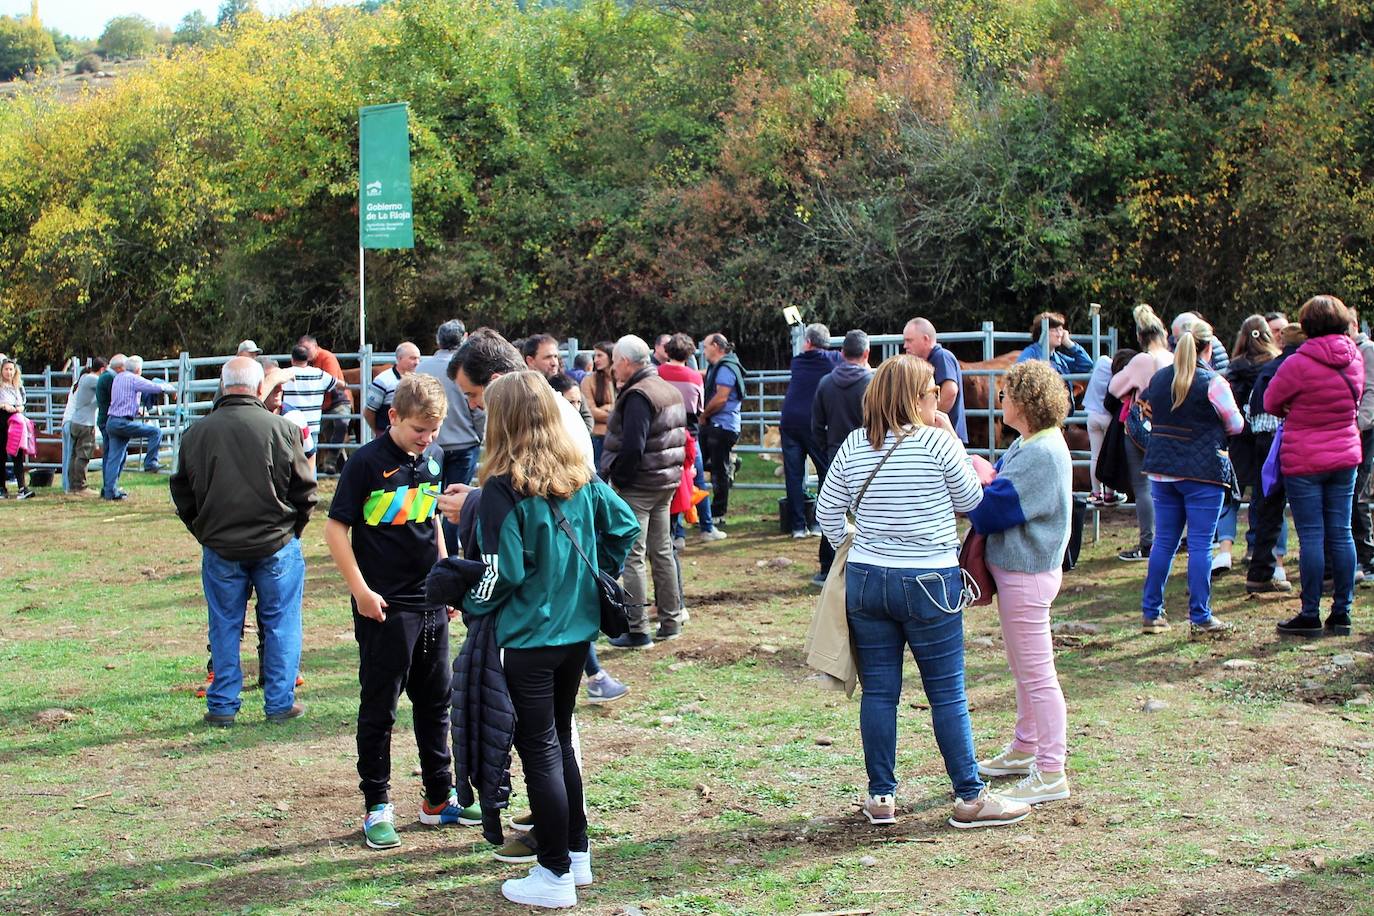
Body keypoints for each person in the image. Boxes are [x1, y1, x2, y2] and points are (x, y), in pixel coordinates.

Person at [815, 355, 1031, 830]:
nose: (938, 398)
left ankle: (880, 796)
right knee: (947, 692)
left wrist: (853, 544)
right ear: (917, 398)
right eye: (932, 391)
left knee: (880, 692)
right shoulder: (938, 444)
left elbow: (827, 512)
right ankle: (970, 797)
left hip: (869, 579)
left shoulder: (854, 444)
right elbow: (973, 503)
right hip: (931, 579)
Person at [463, 372, 639, 908]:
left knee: (539, 749)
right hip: (576, 633)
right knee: (558, 742)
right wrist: (592, 577)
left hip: (531, 638)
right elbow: (625, 524)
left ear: (503, 421)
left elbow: (501, 572)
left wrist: (468, 602)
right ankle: (576, 855)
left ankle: (555, 873)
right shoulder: (579, 475)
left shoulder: (500, 491)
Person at [325, 373, 479, 850]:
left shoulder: (431, 462)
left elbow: (431, 521)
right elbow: (335, 530)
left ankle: (439, 796)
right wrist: (361, 592)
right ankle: (377, 805)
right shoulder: (365, 465)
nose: (427, 439)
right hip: (384, 608)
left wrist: (445, 579)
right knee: (381, 708)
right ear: (393, 417)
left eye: (433, 431)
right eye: (419, 430)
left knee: (436, 701)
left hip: (429, 603)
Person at [170, 357, 316, 726]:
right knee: (281, 623)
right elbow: (305, 490)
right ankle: (280, 702)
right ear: (257, 387)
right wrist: (291, 530)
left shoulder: (196, 433)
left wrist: (203, 530)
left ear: (223, 385)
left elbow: (182, 492)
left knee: (224, 624)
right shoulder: (281, 429)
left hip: (221, 545)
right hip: (276, 542)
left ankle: (222, 705)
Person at [968, 361, 1073, 804]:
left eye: (1007, 394)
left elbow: (991, 511)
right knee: (1025, 670)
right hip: (1022, 571)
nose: (1001, 401)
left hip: (1027, 573)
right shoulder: (1033, 444)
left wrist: (975, 477)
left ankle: (1051, 770)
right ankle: (1025, 747)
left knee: (1037, 674)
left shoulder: (1039, 453)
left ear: (1026, 402)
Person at [1265, 295, 1363, 638]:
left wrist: (1296, 408)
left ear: (1307, 326)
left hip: (1304, 457)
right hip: (1345, 454)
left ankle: (1309, 613)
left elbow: (1270, 401)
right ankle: (1343, 612)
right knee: (1342, 532)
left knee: (1311, 536)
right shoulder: (1356, 359)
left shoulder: (1297, 362)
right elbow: (1357, 397)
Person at [1139, 319, 1242, 635]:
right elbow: (1236, 424)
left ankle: (1152, 613)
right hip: (1203, 473)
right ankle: (1200, 616)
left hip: (1162, 470)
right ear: (1208, 348)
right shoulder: (1214, 383)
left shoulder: (1158, 379)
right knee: (1200, 545)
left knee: (1164, 544)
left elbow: (1142, 413)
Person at [600, 335, 689, 648]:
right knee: (662, 551)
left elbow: (633, 446)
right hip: (664, 483)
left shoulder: (638, 394)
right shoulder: (666, 387)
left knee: (634, 556)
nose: (612, 369)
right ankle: (672, 619)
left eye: (614, 362)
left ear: (625, 361)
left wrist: (619, 479)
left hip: (639, 484)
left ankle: (637, 629)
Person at [1215, 316, 1281, 576]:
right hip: (1269, 435)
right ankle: (1261, 548)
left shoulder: (1234, 367)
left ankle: (1225, 549)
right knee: (1267, 494)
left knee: (1232, 493)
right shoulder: (1276, 365)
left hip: (1240, 437)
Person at [1108, 305, 1173, 561]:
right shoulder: (1173, 358)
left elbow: (1114, 388)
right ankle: (1172, 537)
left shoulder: (1142, 360)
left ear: (1139, 336)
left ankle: (1149, 542)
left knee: (1143, 485)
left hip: (1142, 428)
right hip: (1170, 427)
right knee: (1169, 483)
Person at [416, 320, 485, 552]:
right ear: (464, 337)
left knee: (430, 499)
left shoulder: (422, 369)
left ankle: (432, 549)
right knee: (457, 502)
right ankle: (453, 554)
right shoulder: (467, 369)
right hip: (464, 443)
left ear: (438, 340)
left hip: (432, 444)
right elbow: (476, 410)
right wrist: (478, 433)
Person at [810, 330, 872, 586]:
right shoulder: (872, 382)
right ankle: (866, 564)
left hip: (835, 455)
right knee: (868, 512)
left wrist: (827, 451)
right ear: (866, 353)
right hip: (869, 455)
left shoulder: (825, 383)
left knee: (831, 508)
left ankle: (827, 567)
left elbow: (816, 425)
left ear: (842, 353)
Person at [1245, 323, 1301, 593]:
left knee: (1267, 506)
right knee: (1305, 507)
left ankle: (1260, 570)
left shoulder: (1269, 368)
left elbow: (1251, 408)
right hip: (1289, 438)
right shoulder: (1300, 366)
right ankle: (1324, 570)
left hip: (1262, 439)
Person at [658, 332, 723, 541]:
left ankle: (677, 533)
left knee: (672, 483)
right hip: (689, 434)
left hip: (665, 435)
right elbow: (699, 407)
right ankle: (706, 526)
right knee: (697, 479)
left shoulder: (658, 374)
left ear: (668, 351)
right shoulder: (694, 376)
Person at [780, 323, 841, 537]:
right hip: (815, 423)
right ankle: (818, 522)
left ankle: (797, 526)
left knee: (794, 475)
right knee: (825, 471)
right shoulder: (834, 360)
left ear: (807, 343)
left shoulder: (797, 361)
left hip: (789, 422)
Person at [101, 356, 174, 500]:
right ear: (138, 370)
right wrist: (172, 388)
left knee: (115, 458)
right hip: (123, 422)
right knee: (156, 432)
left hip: (112, 421)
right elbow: (155, 387)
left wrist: (135, 409)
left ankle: (110, 491)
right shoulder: (133, 379)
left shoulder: (118, 377)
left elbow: (124, 398)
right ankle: (150, 462)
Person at [699, 333, 745, 525]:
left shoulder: (726, 368)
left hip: (722, 425)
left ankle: (718, 513)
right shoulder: (719, 366)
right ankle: (731, 466)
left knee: (718, 470)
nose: (704, 350)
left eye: (706, 346)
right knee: (702, 464)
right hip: (716, 425)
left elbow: (721, 398)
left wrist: (704, 414)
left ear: (716, 346)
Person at [904, 317, 968, 443]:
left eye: (909, 340)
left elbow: (950, 391)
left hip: (946, 437)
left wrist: (928, 420)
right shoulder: (932, 359)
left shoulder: (941, 356)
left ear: (926, 339)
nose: (905, 345)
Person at [298, 335, 352, 474]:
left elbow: (330, 382)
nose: (305, 351)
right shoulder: (306, 362)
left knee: (341, 422)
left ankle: (331, 462)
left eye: (307, 348)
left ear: (315, 347)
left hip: (337, 400)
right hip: (320, 404)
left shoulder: (327, 357)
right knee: (320, 434)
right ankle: (338, 467)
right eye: (302, 349)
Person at [1347, 309, 1374, 583]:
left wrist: (1358, 425)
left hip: (1362, 432)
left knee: (1358, 493)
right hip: (1348, 432)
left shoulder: (1367, 350)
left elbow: (1371, 392)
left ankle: (1367, 558)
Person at [525, 334, 594, 432]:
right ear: (530, 361)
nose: (554, 363)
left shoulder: (567, 384)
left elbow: (587, 419)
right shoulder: (521, 390)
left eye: (555, 356)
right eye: (547, 357)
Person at [62, 357, 105, 496]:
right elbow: (108, 385)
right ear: (102, 369)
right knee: (83, 455)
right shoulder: (93, 379)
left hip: (75, 421)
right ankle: (80, 486)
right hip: (85, 423)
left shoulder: (82, 379)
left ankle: (71, 485)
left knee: (74, 454)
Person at [281, 345, 339, 448]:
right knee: (311, 459)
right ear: (307, 359)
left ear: (292, 359)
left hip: (290, 425)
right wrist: (345, 385)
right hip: (312, 426)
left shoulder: (285, 374)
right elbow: (335, 383)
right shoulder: (319, 374)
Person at [1082, 353, 1118, 507]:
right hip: (1109, 417)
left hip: (1092, 415)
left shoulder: (1102, 363)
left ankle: (1097, 492)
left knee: (1095, 456)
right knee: (1110, 455)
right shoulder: (1117, 375)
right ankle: (1110, 493)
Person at [364, 342, 421, 435]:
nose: (417, 362)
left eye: (418, 358)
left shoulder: (421, 380)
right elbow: (369, 412)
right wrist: (379, 433)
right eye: (413, 358)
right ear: (399, 358)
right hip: (388, 436)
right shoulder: (383, 380)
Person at [1015, 312, 1095, 379]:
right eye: (1054, 330)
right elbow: (1019, 377)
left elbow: (1086, 365)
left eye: (1060, 329)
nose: (1059, 334)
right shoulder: (1030, 353)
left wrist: (1070, 344)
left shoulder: (1059, 358)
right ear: (1042, 332)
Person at [0, 359, 34, 500]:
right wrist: (3, 405)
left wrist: (19, 408)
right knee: (1, 454)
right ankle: (2, 487)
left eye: (11, 369)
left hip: (16, 421)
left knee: (18, 455)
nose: (9, 372)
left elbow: (23, 402)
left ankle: (22, 487)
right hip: (2, 419)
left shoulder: (18, 387)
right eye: (6, 369)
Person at [580, 341, 616, 471]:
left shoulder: (619, 378)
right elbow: (590, 411)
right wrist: (614, 411)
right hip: (598, 437)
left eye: (600, 356)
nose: (596, 360)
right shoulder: (588, 380)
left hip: (618, 435)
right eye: (595, 356)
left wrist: (606, 408)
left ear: (611, 356)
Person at [95, 353, 125, 444]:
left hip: (105, 419)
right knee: (111, 450)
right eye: (125, 367)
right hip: (107, 419)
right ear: (119, 368)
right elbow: (117, 398)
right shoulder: (110, 378)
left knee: (110, 450)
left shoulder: (106, 376)